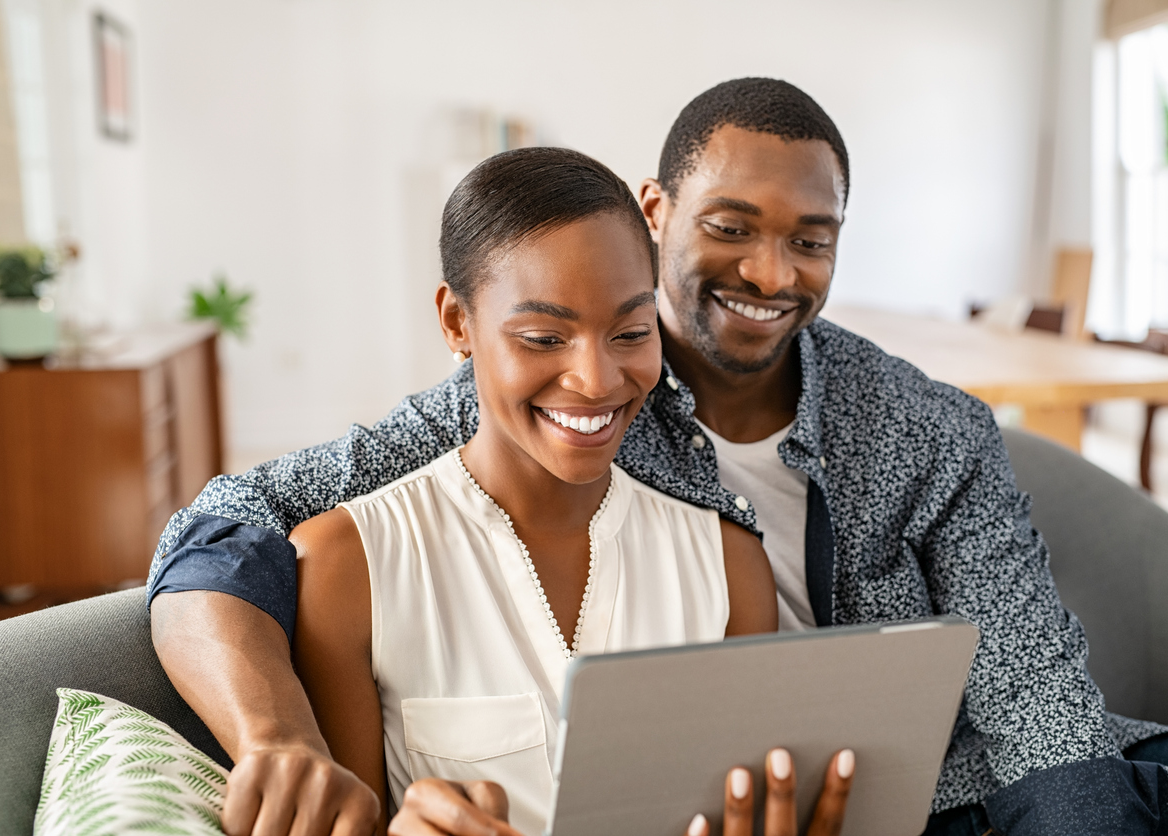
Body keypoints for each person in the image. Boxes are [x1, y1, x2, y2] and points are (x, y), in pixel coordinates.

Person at [149, 78, 1168, 836]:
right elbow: (224, 519)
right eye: (732, 225)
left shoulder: (927, 429)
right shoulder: (573, 392)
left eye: (810, 238)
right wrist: (279, 736)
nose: (772, 272)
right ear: (657, 211)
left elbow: (1033, 695)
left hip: (964, 790)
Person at [283, 145, 853, 836]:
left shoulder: (729, 569)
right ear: (458, 324)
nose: (596, 378)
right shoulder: (346, 567)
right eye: (543, 336)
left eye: (632, 332)